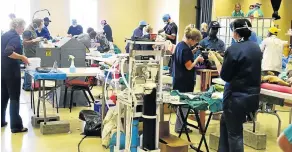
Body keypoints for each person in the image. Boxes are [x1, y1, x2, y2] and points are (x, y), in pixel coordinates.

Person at [208, 19, 262, 152]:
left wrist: (215, 59)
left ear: (236, 33)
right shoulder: (256, 48)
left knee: (235, 134)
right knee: (224, 122)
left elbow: (225, 76)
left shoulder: (233, 49)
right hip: (252, 97)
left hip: (235, 99)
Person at [173, 24, 204, 133]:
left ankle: (179, 126)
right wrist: (197, 59)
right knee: (184, 105)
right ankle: (180, 127)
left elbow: (185, 56)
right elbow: (189, 66)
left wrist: (195, 50)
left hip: (178, 79)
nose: (195, 43)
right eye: (195, 41)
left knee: (181, 105)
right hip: (184, 81)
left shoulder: (180, 45)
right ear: (191, 39)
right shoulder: (185, 49)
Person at [1, 18, 29, 133]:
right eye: (22, 27)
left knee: (4, 97)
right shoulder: (15, 38)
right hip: (12, 72)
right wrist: (23, 57)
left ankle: (1, 121)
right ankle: (16, 126)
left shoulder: (4, 35)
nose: (23, 30)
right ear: (17, 27)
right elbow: (8, 52)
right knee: (14, 98)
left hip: (3, 70)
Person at [22, 19, 43, 91]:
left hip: (32, 51)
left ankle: (25, 85)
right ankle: (28, 86)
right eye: (41, 25)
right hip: (29, 53)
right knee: (30, 69)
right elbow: (24, 42)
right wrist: (34, 40)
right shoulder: (28, 31)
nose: (41, 26)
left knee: (28, 69)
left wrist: (37, 40)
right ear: (35, 24)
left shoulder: (32, 30)